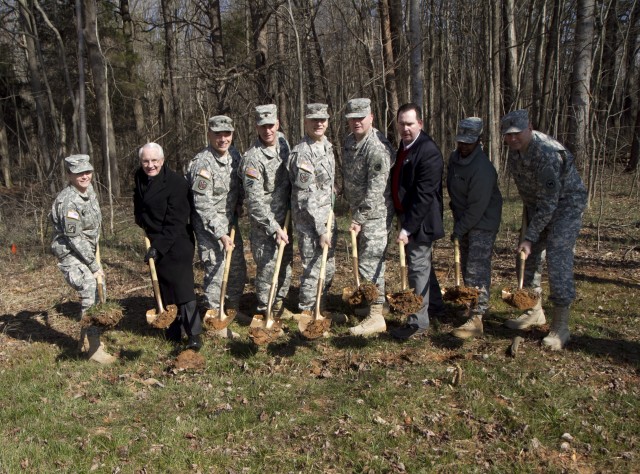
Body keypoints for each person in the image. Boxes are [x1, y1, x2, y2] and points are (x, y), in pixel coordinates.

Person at [501, 109, 586, 350]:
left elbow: (550, 201)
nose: (513, 138)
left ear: (529, 127)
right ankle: (533, 310)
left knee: (558, 259)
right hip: (537, 208)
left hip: (565, 206)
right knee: (525, 257)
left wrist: (530, 236)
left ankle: (561, 327)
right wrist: (528, 236)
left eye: (517, 133)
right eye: (508, 135)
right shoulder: (516, 153)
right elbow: (531, 195)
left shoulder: (547, 154)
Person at [134, 143, 202, 351]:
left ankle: (194, 335)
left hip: (177, 241)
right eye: (146, 161)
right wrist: (142, 223)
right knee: (165, 289)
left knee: (183, 290)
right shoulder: (139, 177)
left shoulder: (176, 183)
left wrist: (158, 247)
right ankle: (173, 330)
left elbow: (177, 220)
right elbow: (139, 205)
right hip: (155, 239)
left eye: (154, 160)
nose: (150, 165)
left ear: (162, 161)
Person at [51, 154, 115, 364]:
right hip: (72, 253)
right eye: (79, 173)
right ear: (69, 175)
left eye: (87, 172)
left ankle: (86, 342)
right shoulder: (68, 201)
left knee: (99, 287)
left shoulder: (89, 192)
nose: (84, 176)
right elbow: (74, 238)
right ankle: (94, 350)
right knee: (90, 287)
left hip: (86, 250)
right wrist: (94, 265)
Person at [186, 116, 247, 338]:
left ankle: (231, 310)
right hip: (209, 227)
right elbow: (202, 205)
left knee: (237, 269)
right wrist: (220, 233)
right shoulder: (202, 164)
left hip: (229, 223)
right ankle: (215, 322)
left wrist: (239, 204)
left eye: (227, 134)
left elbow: (238, 184)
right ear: (209, 135)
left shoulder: (235, 155)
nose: (223, 139)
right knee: (216, 271)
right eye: (218, 134)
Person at [390, 103, 445, 340]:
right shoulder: (403, 147)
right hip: (407, 217)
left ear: (420, 124)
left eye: (410, 124)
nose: (405, 128)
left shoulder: (428, 151)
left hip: (420, 222)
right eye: (401, 123)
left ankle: (417, 323)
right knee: (424, 266)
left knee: (418, 268)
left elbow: (424, 196)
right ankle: (435, 306)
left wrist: (407, 228)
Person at [342, 98, 395, 336]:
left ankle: (376, 316)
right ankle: (374, 304)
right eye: (352, 118)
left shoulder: (376, 148)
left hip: (374, 215)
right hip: (359, 212)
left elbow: (376, 188)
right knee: (366, 261)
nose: (356, 122)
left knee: (371, 263)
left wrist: (359, 218)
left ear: (371, 118)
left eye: (361, 118)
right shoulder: (349, 143)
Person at [447, 117, 503, 339]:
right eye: (461, 142)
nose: (463, 146)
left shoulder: (483, 169)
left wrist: (459, 229)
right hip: (465, 219)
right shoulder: (454, 159)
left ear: (479, 141)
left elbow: (477, 207)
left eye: (468, 143)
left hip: (482, 221)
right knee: (467, 265)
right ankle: (470, 306)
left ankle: (477, 317)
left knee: (476, 268)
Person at [239, 104, 293, 319]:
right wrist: (274, 228)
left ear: (277, 124)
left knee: (285, 264)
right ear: (257, 127)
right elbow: (255, 203)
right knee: (268, 268)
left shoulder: (283, 142)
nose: (268, 131)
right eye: (263, 127)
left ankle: (279, 305)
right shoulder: (252, 159)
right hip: (265, 225)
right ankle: (265, 310)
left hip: (286, 219)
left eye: (271, 125)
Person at [288, 103, 336, 315]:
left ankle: (320, 309)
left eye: (322, 120)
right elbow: (305, 195)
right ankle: (308, 315)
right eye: (314, 120)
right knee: (313, 270)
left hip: (327, 218)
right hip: (311, 223)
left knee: (328, 267)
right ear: (305, 122)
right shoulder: (303, 154)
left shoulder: (327, 145)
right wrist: (320, 230)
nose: (319, 124)